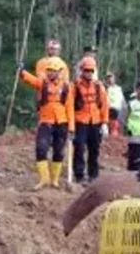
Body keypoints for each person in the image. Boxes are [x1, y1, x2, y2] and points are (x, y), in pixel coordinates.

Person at [19, 57, 73, 190]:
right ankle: (44, 179)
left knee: (59, 151)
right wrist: (22, 72)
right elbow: (31, 80)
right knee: (41, 148)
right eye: (48, 70)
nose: (50, 73)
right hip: (45, 120)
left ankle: (54, 180)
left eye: (53, 71)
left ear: (59, 72)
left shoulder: (66, 86)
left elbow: (70, 106)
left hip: (62, 121)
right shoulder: (42, 83)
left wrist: (71, 126)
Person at [71, 56, 108, 185]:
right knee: (79, 148)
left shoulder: (99, 86)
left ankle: (93, 174)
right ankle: (79, 174)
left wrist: (104, 123)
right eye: (86, 70)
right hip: (80, 121)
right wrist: (71, 126)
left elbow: (104, 105)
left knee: (94, 149)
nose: (89, 73)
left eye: (91, 71)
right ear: (82, 70)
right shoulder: (75, 86)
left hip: (95, 121)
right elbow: (70, 106)